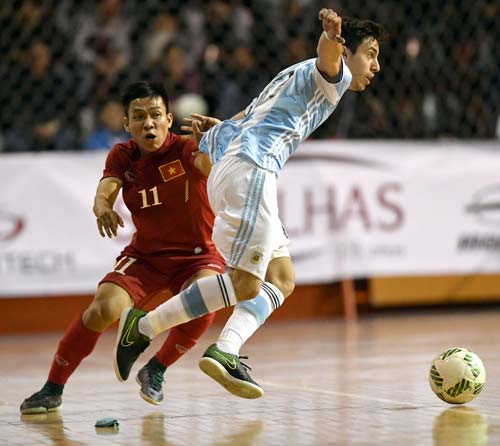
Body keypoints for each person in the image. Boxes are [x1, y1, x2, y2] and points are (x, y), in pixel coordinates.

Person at [114, 9, 388, 399]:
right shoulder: (333, 73)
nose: (376, 65)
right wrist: (331, 36)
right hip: (253, 171)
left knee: (281, 279)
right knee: (246, 283)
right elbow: (331, 59)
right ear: (348, 51)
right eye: (371, 54)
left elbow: (251, 114)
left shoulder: (291, 74)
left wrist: (220, 126)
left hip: (239, 167)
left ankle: (191, 341)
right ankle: (177, 338)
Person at [19, 81, 225, 414]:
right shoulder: (123, 155)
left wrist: (213, 147)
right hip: (145, 257)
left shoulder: (186, 149)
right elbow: (106, 189)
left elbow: (209, 168)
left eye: (156, 115)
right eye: (139, 116)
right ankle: (52, 388)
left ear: (169, 120)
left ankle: (155, 369)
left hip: (196, 255)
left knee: (207, 296)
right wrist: (102, 207)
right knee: (102, 309)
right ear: (127, 124)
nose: (149, 123)